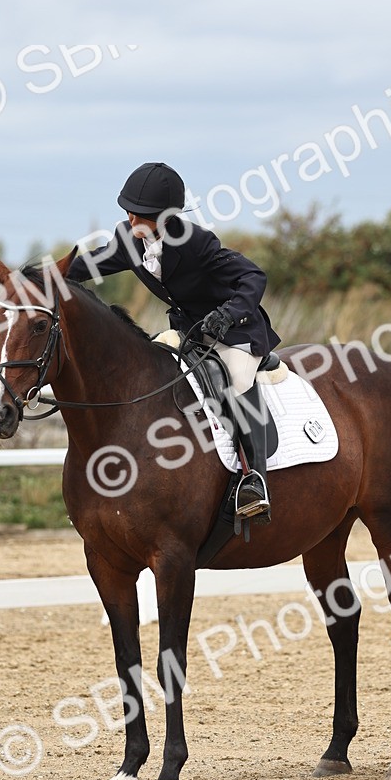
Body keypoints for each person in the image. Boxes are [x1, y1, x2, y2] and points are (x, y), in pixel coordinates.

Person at [68, 161, 280, 520]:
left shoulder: (197, 243)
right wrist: (31, 279)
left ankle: (253, 478)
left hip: (234, 330)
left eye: (140, 216)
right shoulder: (128, 239)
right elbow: (84, 267)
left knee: (238, 380)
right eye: (128, 212)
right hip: (190, 331)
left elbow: (253, 278)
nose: (131, 221)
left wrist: (228, 314)